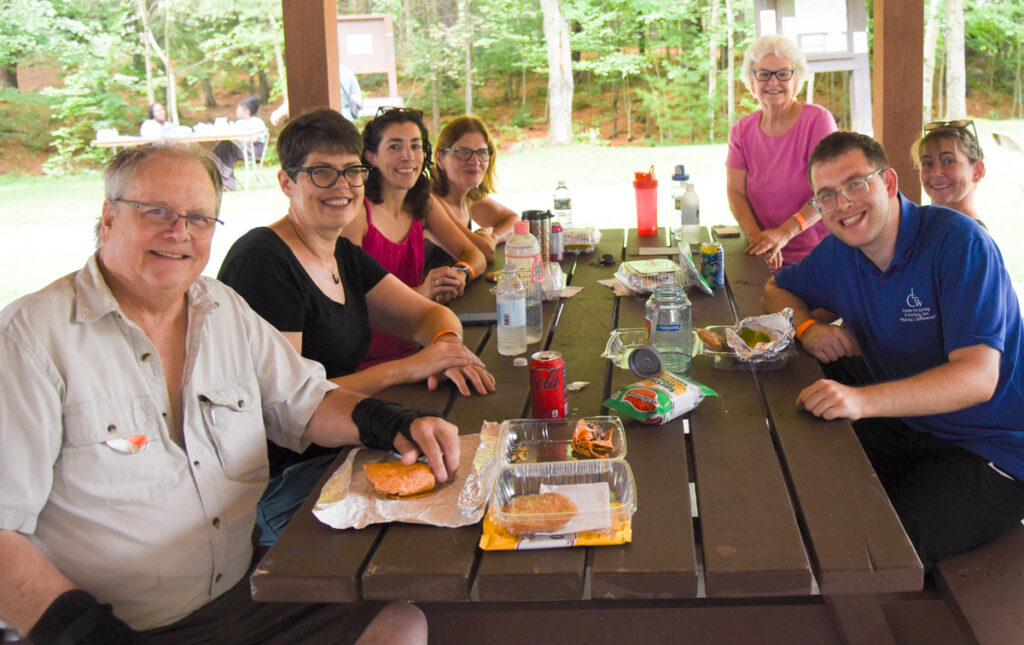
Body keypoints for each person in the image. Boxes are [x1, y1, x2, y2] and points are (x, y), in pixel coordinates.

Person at [0, 142, 459, 644]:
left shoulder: (220, 307)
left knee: (399, 622)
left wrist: (398, 424)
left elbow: (307, 402)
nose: (179, 232)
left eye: (199, 218)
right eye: (156, 211)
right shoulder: (31, 339)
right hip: (115, 626)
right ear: (108, 217)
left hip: (244, 597)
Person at [218, 108, 495, 544]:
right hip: (283, 479)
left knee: (486, 477)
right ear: (286, 182)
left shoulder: (340, 254)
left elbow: (429, 315)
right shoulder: (264, 261)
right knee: (450, 530)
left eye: (352, 172)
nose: (343, 187)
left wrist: (446, 349)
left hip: (349, 449)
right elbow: (288, 407)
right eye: (322, 173)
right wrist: (409, 368)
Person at [762, 131, 1024, 571]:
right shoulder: (841, 252)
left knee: (869, 550)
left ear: (888, 182)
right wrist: (807, 329)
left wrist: (862, 400)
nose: (843, 205)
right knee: (788, 469)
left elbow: (978, 378)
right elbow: (775, 289)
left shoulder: (959, 243)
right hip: (908, 425)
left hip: (991, 452)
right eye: (826, 195)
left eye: (855, 185)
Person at [341, 107, 487, 365]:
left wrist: (460, 274)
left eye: (416, 146)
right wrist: (423, 291)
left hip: (420, 345)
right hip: (368, 359)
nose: (408, 156)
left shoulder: (421, 204)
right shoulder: (357, 214)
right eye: (395, 147)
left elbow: (475, 255)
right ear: (371, 157)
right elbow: (349, 303)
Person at [726, 34, 838, 271]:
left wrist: (782, 234)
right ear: (751, 81)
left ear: (795, 81)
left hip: (819, 257)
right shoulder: (741, 131)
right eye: (764, 74)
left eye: (783, 74)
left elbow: (829, 193)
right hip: (763, 256)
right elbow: (735, 191)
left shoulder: (818, 121)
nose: (773, 82)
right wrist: (759, 241)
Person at [430, 115, 519, 265]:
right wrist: (485, 238)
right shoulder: (431, 201)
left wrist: (493, 238)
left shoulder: (468, 198)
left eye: (482, 152)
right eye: (462, 152)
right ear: (439, 158)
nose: (474, 161)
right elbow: (486, 251)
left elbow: (514, 220)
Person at [912, 119, 987, 227]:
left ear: (977, 171)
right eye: (927, 163)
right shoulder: (928, 227)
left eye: (948, 161)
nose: (936, 173)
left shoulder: (971, 238)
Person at [212, 95, 268, 191]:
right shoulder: (239, 123)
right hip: (239, 149)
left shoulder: (257, 122)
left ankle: (213, 163)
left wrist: (239, 138)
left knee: (227, 146)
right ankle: (225, 182)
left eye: (239, 108)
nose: (237, 110)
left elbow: (254, 138)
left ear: (247, 110)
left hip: (253, 150)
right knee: (226, 145)